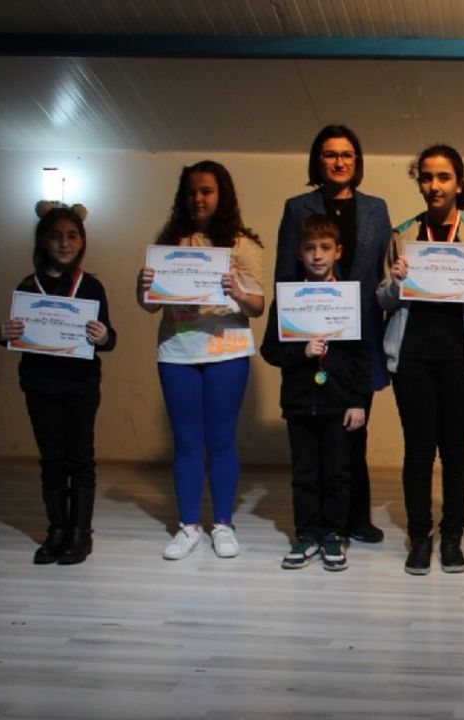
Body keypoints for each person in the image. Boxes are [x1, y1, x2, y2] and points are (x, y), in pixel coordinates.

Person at [379, 144, 464, 575]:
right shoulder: (403, 234)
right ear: (420, 182)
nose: (435, 185)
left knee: (455, 451)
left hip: (461, 357)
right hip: (411, 356)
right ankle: (420, 537)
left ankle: (452, 537)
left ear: (459, 183)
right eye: (427, 177)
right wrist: (395, 283)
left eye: (443, 177)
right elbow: (382, 299)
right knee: (417, 452)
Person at [137, 160, 265, 560]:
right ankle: (188, 526)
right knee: (187, 441)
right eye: (192, 192)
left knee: (221, 439)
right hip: (177, 352)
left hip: (228, 350)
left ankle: (222, 524)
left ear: (221, 194)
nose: (198, 198)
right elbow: (149, 305)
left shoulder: (243, 245)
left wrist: (237, 291)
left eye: (206, 191)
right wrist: (143, 287)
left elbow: (257, 306)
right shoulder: (169, 243)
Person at [277, 125, 391, 545]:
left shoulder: (376, 208)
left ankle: (355, 518)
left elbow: (382, 272)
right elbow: (285, 272)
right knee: (317, 432)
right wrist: (292, 330)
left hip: (362, 335)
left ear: (357, 161)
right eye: (330, 154)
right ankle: (319, 524)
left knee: (354, 426)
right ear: (317, 161)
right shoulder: (297, 208)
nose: (339, 162)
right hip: (310, 330)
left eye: (347, 154)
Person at [0, 203, 116, 565]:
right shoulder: (27, 287)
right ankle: (56, 530)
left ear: (82, 241)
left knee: (80, 458)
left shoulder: (91, 286)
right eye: (56, 236)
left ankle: (80, 533)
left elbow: (109, 339)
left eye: (72, 236)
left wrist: (103, 336)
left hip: (80, 385)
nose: (64, 243)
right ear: (43, 242)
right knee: (51, 459)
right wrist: (1, 333)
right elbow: (13, 335)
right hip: (39, 385)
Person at [260, 215, 371, 572]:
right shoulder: (287, 299)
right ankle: (307, 534)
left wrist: (357, 401)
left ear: (338, 251)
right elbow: (270, 351)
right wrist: (302, 352)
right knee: (305, 474)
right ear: (299, 253)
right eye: (310, 248)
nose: (317, 255)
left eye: (325, 248)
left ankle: (333, 534)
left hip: (339, 403)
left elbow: (361, 355)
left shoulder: (349, 298)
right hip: (299, 403)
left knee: (337, 474)